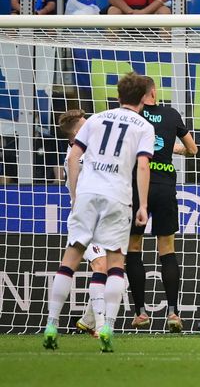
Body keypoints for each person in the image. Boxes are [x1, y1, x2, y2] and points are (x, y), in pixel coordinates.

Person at [43, 72, 154, 353]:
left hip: (88, 194)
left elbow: (72, 157)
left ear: (117, 96)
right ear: (143, 98)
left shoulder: (95, 119)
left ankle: (51, 324)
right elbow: (142, 166)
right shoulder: (143, 126)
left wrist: (75, 195)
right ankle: (107, 326)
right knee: (116, 261)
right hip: (117, 196)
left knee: (71, 258)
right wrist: (142, 205)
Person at [126, 77, 197, 333]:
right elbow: (193, 149)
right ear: (154, 92)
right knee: (166, 248)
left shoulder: (133, 117)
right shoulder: (171, 114)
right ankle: (173, 313)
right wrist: (174, 150)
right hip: (165, 186)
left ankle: (141, 313)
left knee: (133, 247)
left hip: (137, 185)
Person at [57, 109, 108, 338]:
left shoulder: (90, 152)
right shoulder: (74, 157)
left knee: (115, 273)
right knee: (100, 266)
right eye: (86, 124)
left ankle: (88, 321)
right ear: (77, 132)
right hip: (85, 220)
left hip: (102, 217)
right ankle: (99, 326)